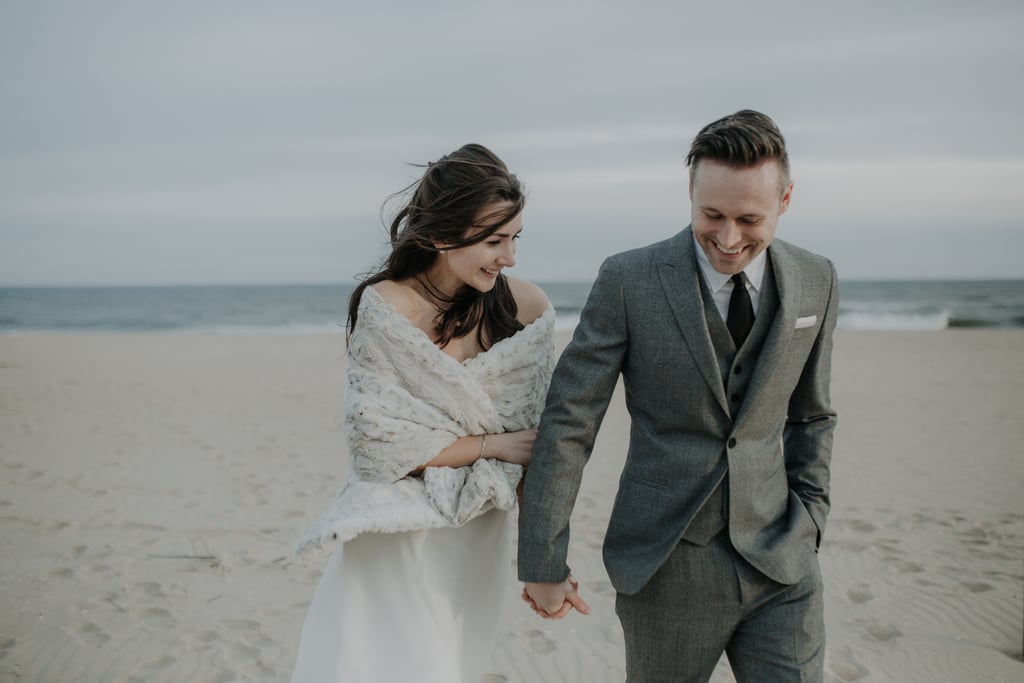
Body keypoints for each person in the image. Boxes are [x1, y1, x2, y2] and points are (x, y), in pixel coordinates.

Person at [518, 110, 839, 682]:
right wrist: (543, 558)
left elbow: (812, 413)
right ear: (689, 191)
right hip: (665, 564)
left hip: (782, 560)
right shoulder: (628, 279)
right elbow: (571, 421)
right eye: (711, 214)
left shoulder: (817, 278)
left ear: (786, 200)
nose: (728, 238)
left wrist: (811, 517)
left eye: (749, 219)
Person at [290, 143, 554, 683]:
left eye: (515, 238)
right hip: (396, 533)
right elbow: (377, 446)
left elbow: (541, 443)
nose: (509, 257)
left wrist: (545, 561)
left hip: (477, 534)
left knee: (456, 663)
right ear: (438, 236)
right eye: (493, 240)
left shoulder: (527, 308)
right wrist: (491, 445)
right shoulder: (387, 305)